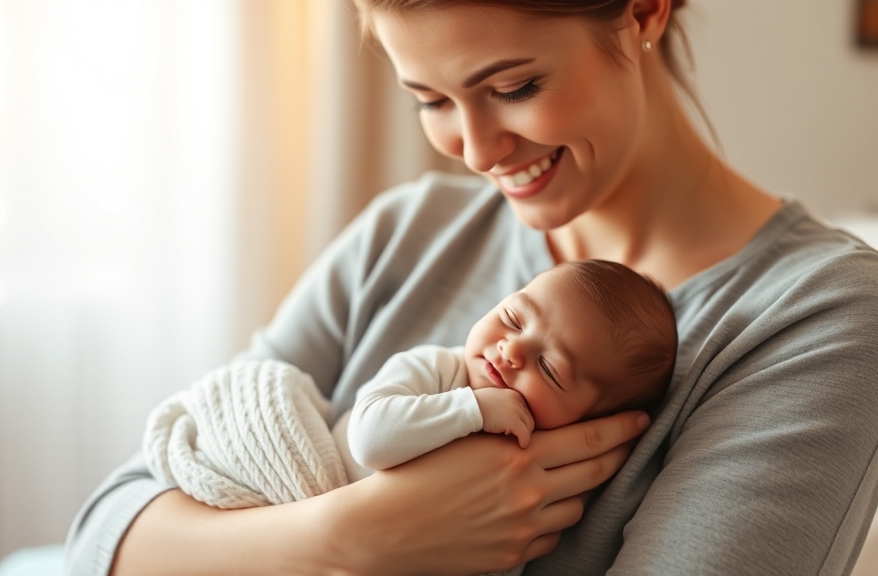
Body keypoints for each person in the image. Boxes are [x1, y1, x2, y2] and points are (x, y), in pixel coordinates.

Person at [65, 1, 878, 574]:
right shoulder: (408, 233)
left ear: (643, 11)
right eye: (430, 100)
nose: (477, 150)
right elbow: (107, 532)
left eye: (514, 87)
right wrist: (352, 539)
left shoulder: (817, 317)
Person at [344, 259, 676, 477]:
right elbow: (368, 440)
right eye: (513, 318)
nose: (512, 349)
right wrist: (473, 408)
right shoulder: (437, 369)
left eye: (548, 367)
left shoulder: (544, 468)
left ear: (590, 422)